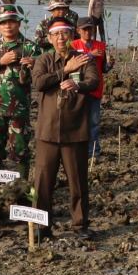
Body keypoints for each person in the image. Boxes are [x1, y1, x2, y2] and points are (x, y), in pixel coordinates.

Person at [32, 21, 100, 239]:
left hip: (75, 130)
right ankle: (42, 226)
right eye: (56, 34)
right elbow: (39, 82)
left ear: (72, 36)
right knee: (43, 181)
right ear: (50, 39)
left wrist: (77, 84)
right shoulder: (44, 59)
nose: (61, 38)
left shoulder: (84, 58)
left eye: (65, 33)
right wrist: (66, 70)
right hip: (47, 132)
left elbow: (93, 82)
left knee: (78, 181)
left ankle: (80, 225)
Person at [0, 7, 42, 178]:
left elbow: (43, 75)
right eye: (3, 23)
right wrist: (0, 61)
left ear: (19, 23)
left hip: (19, 109)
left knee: (21, 149)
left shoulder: (30, 47)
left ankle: (21, 189)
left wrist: (34, 64)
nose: (8, 26)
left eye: (12, 22)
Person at [73, 17, 109, 158]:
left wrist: (109, 65)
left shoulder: (100, 45)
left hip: (95, 88)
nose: (88, 32)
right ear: (78, 30)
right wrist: (89, 54)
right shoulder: (73, 45)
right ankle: (76, 150)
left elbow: (103, 68)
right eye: (85, 29)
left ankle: (94, 152)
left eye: (90, 29)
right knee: (76, 121)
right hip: (78, 87)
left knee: (94, 122)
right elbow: (73, 62)